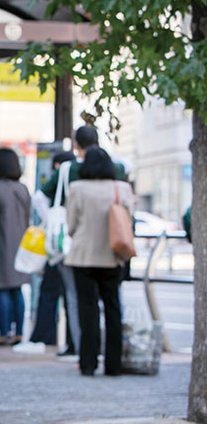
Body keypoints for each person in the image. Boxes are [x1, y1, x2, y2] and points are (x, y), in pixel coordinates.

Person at [66, 147, 134, 376]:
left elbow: (71, 225)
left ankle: (88, 362)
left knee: (88, 309)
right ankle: (113, 364)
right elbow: (128, 221)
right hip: (112, 255)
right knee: (113, 308)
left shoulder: (77, 188)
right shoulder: (121, 188)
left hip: (83, 255)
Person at [0, 148, 31, 345]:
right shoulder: (23, 188)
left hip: (0, 243)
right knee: (17, 289)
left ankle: (4, 333)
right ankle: (19, 332)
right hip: (20, 244)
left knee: (1, 289)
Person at [30, 151, 78, 352]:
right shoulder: (89, 171)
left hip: (59, 244)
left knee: (50, 290)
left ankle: (44, 336)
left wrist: (50, 220)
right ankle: (74, 341)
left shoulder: (63, 172)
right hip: (80, 240)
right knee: (75, 295)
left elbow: (39, 198)